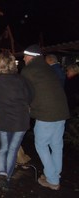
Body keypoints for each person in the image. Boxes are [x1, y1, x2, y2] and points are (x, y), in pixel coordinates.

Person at [21, 44, 70, 190]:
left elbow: (25, 94)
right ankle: (55, 174)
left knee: (41, 145)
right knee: (56, 145)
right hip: (61, 112)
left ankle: (53, 180)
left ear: (30, 56)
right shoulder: (48, 68)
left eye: (24, 55)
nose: (23, 58)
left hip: (46, 114)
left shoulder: (28, 70)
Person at [0, 51, 32, 190]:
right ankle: (6, 177)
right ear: (13, 64)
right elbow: (30, 97)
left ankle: (1, 172)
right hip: (20, 120)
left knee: (4, 148)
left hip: (4, 118)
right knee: (13, 149)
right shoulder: (21, 80)